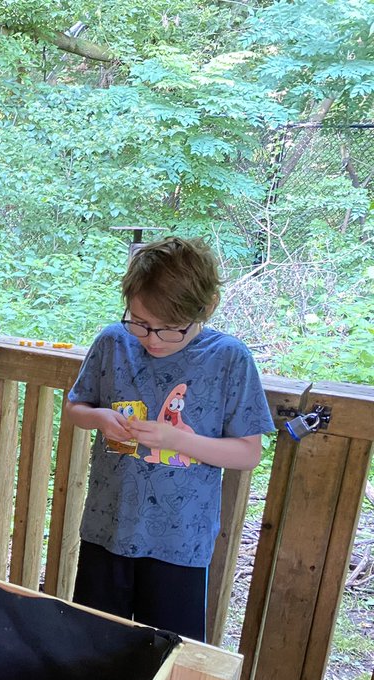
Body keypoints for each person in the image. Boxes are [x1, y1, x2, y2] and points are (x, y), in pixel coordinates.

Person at [65, 236, 275, 641]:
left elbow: (249, 452)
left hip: (180, 542)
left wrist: (176, 441)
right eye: (140, 322)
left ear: (206, 308)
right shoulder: (113, 342)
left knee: (167, 658)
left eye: (169, 328)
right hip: (107, 529)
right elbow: (77, 408)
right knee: (93, 646)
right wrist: (100, 418)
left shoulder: (229, 358)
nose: (153, 338)